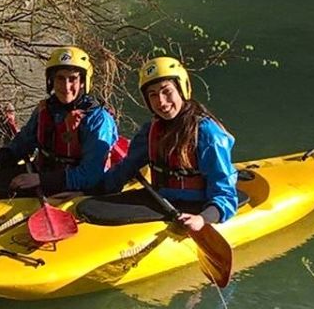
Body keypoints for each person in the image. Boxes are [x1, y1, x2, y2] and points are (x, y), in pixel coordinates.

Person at [80, 56, 237, 234]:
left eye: (166, 91)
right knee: (89, 207)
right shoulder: (151, 130)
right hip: (161, 200)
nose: (161, 101)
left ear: (182, 89)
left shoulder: (207, 133)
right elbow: (125, 169)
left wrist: (203, 218)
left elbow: (225, 193)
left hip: (198, 207)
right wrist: (87, 191)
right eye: (153, 95)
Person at [0, 46, 118, 199]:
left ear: (83, 82)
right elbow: (25, 140)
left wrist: (41, 180)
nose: (66, 86)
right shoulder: (47, 108)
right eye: (60, 78)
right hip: (43, 174)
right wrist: (0, 161)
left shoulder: (98, 119)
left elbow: (92, 173)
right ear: (52, 81)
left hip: (75, 183)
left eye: (73, 79)